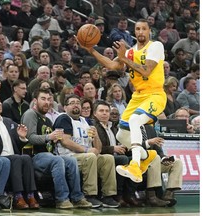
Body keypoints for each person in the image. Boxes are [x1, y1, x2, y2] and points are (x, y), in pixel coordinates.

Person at [79, 18, 166, 183]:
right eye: (138, 29)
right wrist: (91, 50)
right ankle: (147, 156)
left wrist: (124, 58)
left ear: (149, 32)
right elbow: (112, 66)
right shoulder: (130, 51)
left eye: (144, 29)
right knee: (121, 133)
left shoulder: (155, 46)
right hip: (138, 96)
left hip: (154, 94)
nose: (140, 32)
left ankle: (135, 165)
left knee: (134, 120)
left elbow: (146, 71)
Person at [21, 88, 92, 209]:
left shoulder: (48, 120)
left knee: (71, 160)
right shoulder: (30, 114)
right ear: (35, 101)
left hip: (48, 155)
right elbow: (30, 138)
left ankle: (77, 197)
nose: (47, 102)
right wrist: (49, 136)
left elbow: (49, 142)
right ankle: (62, 199)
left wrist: (53, 140)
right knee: (57, 160)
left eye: (49, 99)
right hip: (33, 156)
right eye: (43, 99)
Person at [53, 94, 119, 208]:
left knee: (108, 159)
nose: (75, 105)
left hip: (85, 156)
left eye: (77, 103)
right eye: (72, 103)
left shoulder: (87, 121)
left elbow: (98, 149)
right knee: (90, 157)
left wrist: (96, 136)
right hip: (68, 157)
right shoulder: (63, 118)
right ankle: (89, 195)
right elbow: (65, 141)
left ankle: (108, 195)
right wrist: (87, 150)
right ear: (65, 107)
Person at [0, 92, 39, 210]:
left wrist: (21, 137)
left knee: (26, 158)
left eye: (0, 101)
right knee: (16, 158)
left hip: (13, 156)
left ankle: (31, 195)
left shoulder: (8, 122)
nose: (0, 104)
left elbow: (19, 144)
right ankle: (18, 196)